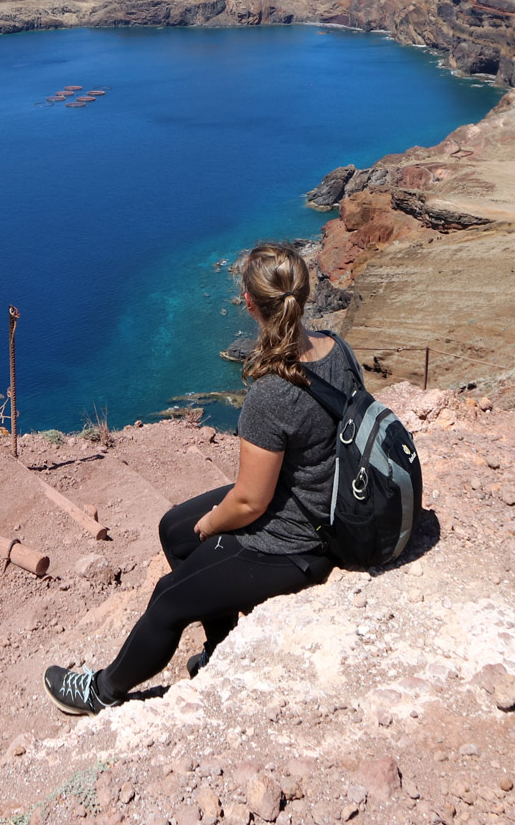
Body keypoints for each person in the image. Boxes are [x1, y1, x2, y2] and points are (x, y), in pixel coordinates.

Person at [43, 241, 358, 715]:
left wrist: (211, 525)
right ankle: (223, 647)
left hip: (301, 541)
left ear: (249, 303)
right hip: (318, 501)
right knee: (173, 528)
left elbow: (250, 503)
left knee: (170, 598)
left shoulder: (272, 393)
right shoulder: (337, 347)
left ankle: (101, 692)